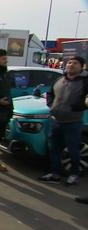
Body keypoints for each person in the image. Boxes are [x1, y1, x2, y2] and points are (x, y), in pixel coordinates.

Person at [39, 56, 88, 185]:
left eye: (75, 63)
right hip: (56, 121)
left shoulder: (85, 81)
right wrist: (51, 105)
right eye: (70, 62)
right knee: (54, 149)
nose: (71, 65)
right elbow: (50, 93)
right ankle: (54, 174)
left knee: (73, 150)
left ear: (81, 66)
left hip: (73, 122)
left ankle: (73, 174)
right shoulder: (60, 79)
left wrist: (78, 107)